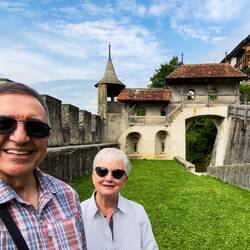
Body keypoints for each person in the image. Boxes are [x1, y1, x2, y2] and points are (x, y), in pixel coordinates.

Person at [0, 82, 86, 249]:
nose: (20, 138)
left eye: (36, 128)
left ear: (48, 137)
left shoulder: (67, 195)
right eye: (3, 124)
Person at [81, 147, 158, 250]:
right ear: (93, 176)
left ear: (125, 180)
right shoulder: (78, 214)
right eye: (102, 171)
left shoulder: (138, 212)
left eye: (117, 173)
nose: (108, 178)